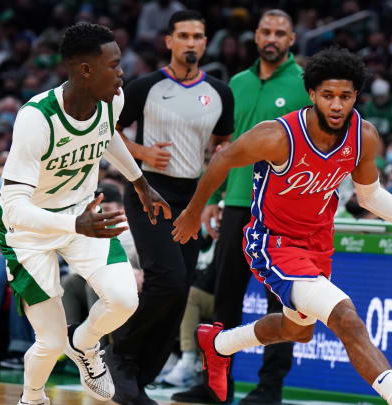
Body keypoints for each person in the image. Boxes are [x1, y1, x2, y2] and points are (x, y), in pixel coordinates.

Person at [172, 47, 392, 405]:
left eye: (345, 96)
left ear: (356, 97)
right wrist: (193, 211)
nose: (336, 105)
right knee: (347, 318)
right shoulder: (277, 136)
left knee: (296, 331)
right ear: (312, 94)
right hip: (273, 243)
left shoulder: (364, 136)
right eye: (327, 95)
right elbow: (222, 159)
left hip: (316, 243)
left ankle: (218, 343)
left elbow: (371, 196)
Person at [0, 22, 170, 405]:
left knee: (125, 300)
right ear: (85, 69)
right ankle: (33, 398)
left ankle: (86, 344)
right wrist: (74, 224)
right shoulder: (36, 118)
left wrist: (140, 182)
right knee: (50, 340)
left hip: (80, 215)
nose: (123, 72)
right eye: (115, 65)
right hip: (26, 229)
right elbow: (15, 208)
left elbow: (107, 139)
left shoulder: (113, 101)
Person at [174, 9, 311, 405]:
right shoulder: (237, 82)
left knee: (282, 301)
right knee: (225, 298)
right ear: (255, 35)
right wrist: (214, 198)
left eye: (280, 32)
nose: (272, 38)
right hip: (236, 202)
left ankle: (270, 389)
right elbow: (225, 147)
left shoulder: (305, 85)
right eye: (266, 31)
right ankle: (217, 386)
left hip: (282, 210)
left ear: (291, 38)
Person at [109, 11, 234, 405]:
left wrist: (215, 182)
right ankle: (119, 356)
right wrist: (142, 152)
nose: (191, 42)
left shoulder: (219, 92)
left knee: (179, 292)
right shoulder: (145, 87)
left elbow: (223, 143)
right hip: (148, 190)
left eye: (198, 36)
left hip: (191, 199)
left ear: (205, 42)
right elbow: (106, 130)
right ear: (169, 42)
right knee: (166, 279)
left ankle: (139, 377)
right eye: (184, 36)